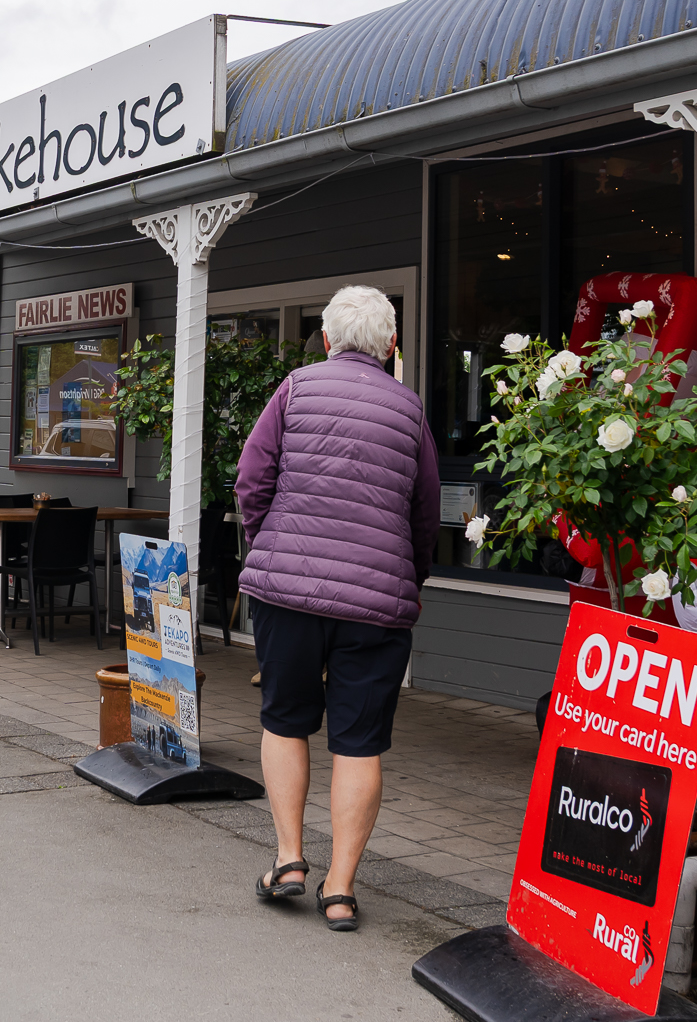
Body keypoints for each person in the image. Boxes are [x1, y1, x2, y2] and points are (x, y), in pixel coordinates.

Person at [234, 285, 439, 930]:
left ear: (326, 339)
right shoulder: (410, 410)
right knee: (359, 741)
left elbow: (252, 481)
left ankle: (289, 859)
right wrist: (407, 576)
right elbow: (426, 514)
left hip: (288, 592)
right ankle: (341, 890)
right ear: (391, 345)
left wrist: (268, 546)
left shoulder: (295, 389)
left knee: (285, 720)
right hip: (377, 604)